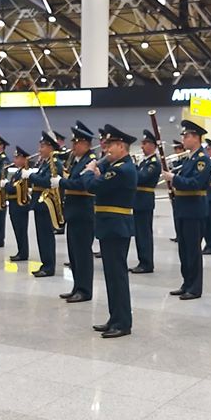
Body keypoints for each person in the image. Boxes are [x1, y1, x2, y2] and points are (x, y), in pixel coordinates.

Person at [83, 124, 138, 338]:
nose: (107, 150)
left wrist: (90, 173)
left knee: (117, 277)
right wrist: (98, 173)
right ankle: (115, 317)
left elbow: (94, 187)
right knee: (112, 277)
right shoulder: (118, 167)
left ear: (122, 146)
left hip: (116, 227)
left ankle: (123, 322)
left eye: (111, 146)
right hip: (111, 226)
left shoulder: (122, 169)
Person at [162, 119, 210, 300]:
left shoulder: (202, 159)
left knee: (192, 250)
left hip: (194, 209)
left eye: (186, 136)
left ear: (196, 138)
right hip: (183, 208)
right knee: (183, 249)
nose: (183, 139)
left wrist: (173, 178)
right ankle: (187, 282)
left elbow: (195, 183)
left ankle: (195, 287)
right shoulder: (190, 158)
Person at [56, 122, 98, 304]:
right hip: (73, 212)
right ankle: (76, 286)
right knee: (74, 254)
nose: (74, 146)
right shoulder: (77, 160)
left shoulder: (91, 160)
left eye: (77, 143)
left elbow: (81, 184)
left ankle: (85, 289)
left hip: (83, 212)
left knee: (82, 254)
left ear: (86, 144)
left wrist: (60, 183)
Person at [25, 131, 64, 277]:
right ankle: (45, 263)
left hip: (47, 205)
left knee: (46, 236)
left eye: (42, 146)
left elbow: (48, 181)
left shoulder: (55, 163)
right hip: (40, 204)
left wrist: (31, 176)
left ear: (50, 148)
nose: (40, 150)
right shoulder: (45, 163)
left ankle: (49, 266)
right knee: (41, 236)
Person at [130, 130, 161, 273]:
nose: (142, 146)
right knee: (139, 232)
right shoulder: (145, 161)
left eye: (145, 143)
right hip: (138, 200)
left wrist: (132, 168)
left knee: (144, 233)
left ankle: (147, 263)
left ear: (153, 145)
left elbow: (140, 178)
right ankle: (142, 260)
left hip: (145, 200)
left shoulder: (154, 163)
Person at [5, 146, 32, 262]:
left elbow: (14, 188)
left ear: (23, 159)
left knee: (21, 230)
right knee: (18, 230)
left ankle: (23, 253)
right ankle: (21, 251)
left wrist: (5, 185)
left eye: (17, 158)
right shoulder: (18, 172)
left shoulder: (24, 173)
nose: (15, 160)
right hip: (14, 204)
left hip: (20, 205)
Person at [169, 138, 184, 243]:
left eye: (178, 148)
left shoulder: (184, 161)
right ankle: (178, 234)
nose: (176, 151)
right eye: (175, 149)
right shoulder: (176, 161)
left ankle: (182, 235)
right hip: (175, 191)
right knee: (176, 214)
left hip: (182, 192)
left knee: (181, 215)